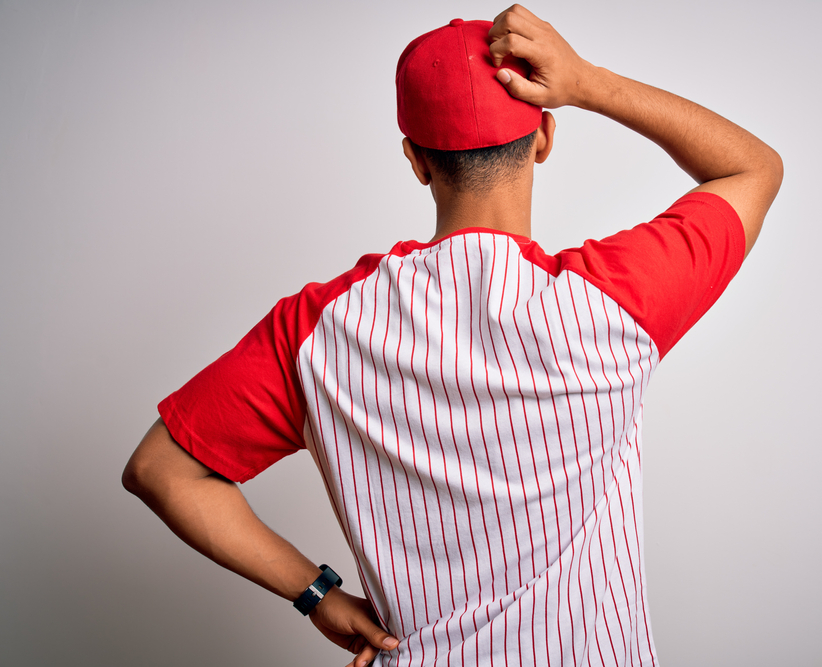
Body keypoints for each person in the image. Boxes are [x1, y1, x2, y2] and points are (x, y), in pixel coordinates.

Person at [123, 5, 782, 666]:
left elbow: (161, 470)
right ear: (545, 137)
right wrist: (585, 81)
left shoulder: (317, 329)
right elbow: (753, 168)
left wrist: (317, 593)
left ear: (415, 160)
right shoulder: (616, 300)